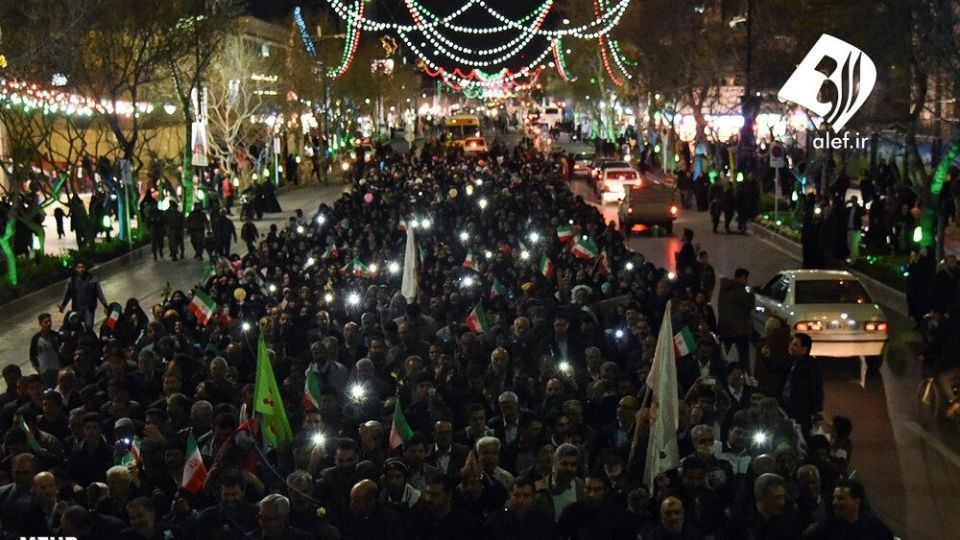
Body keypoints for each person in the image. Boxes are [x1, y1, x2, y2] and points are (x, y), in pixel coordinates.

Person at [803, 480, 894, 539]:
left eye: (840, 498)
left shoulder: (876, 529)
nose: (834, 502)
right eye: (834, 498)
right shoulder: (825, 528)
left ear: (857, 502)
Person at [781, 333, 823, 436]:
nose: (791, 346)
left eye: (795, 345)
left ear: (804, 349)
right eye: (791, 343)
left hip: (801, 412)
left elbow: (816, 390)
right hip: (785, 408)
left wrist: (816, 411)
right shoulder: (790, 360)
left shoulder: (811, 366)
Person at [717, 268, 754, 368]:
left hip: (725, 328)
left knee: (722, 356)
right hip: (739, 330)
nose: (746, 280)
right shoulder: (740, 292)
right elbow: (749, 305)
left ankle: (722, 375)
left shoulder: (724, 290)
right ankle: (745, 377)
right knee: (744, 358)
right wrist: (751, 294)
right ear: (739, 278)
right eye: (745, 278)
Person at [58, 260, 109, 328]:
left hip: (89, 308)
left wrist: (105, 305)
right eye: (79, 267)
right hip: (77, 308)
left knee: (89, 327)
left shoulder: (92, 279)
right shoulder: (72, 281)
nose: (81, 269)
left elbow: (99, 293)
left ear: (85, 268)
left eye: (82, 267)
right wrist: (63, 306)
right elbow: (67, 294)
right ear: (76, 268)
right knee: (78, 327)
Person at [29, 312, 61, 388]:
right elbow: (32, 354)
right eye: (46, 322)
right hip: (44, 370)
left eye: (50, 321)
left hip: (56, 368)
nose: (49, 324)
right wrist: (37, 367)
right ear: (41, 324)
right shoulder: (36, 339)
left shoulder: (56, 335)